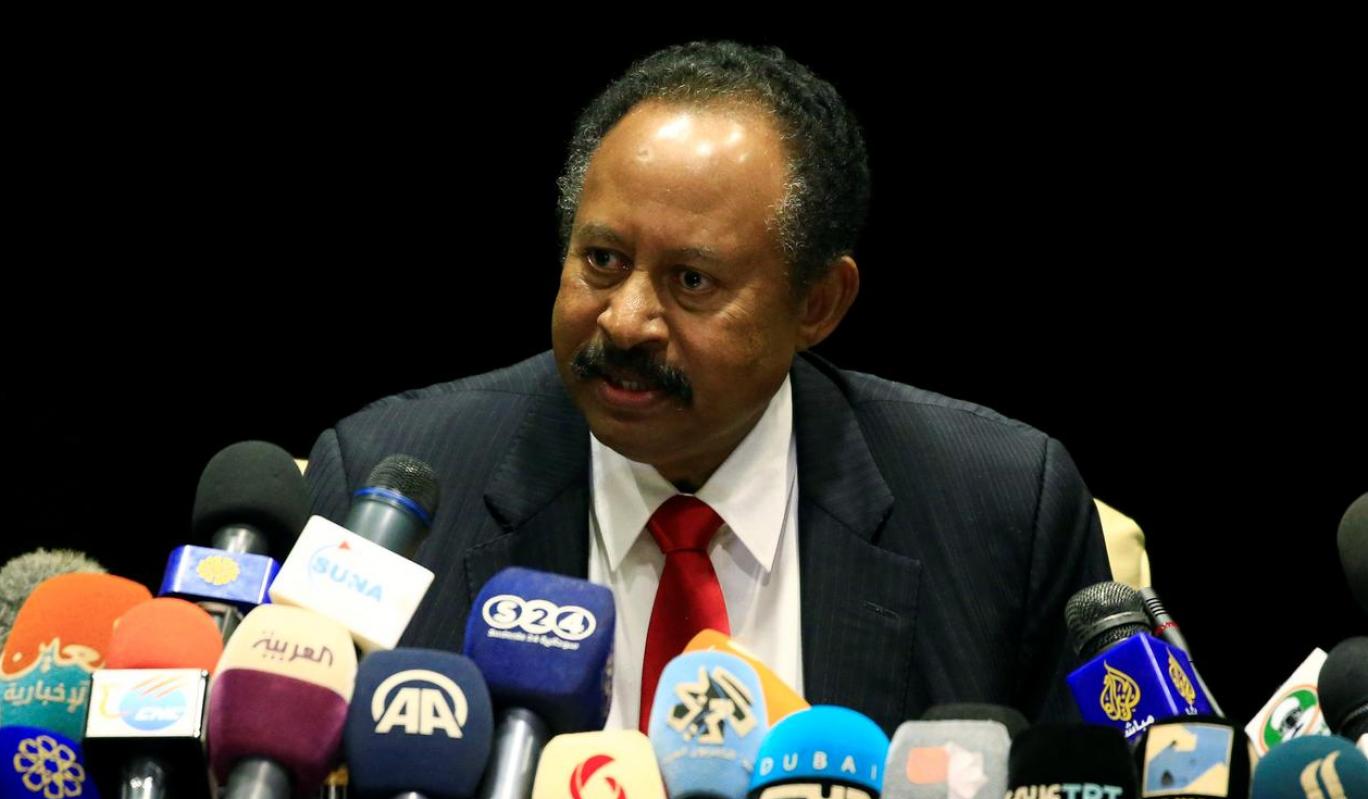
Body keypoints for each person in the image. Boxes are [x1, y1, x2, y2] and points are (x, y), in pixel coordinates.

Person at [306, 38, 1108, 741]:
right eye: (603, 261)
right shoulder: (384, 492)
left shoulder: (1003, 510)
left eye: (691, 280)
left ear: (818, 304)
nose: (625, 321)